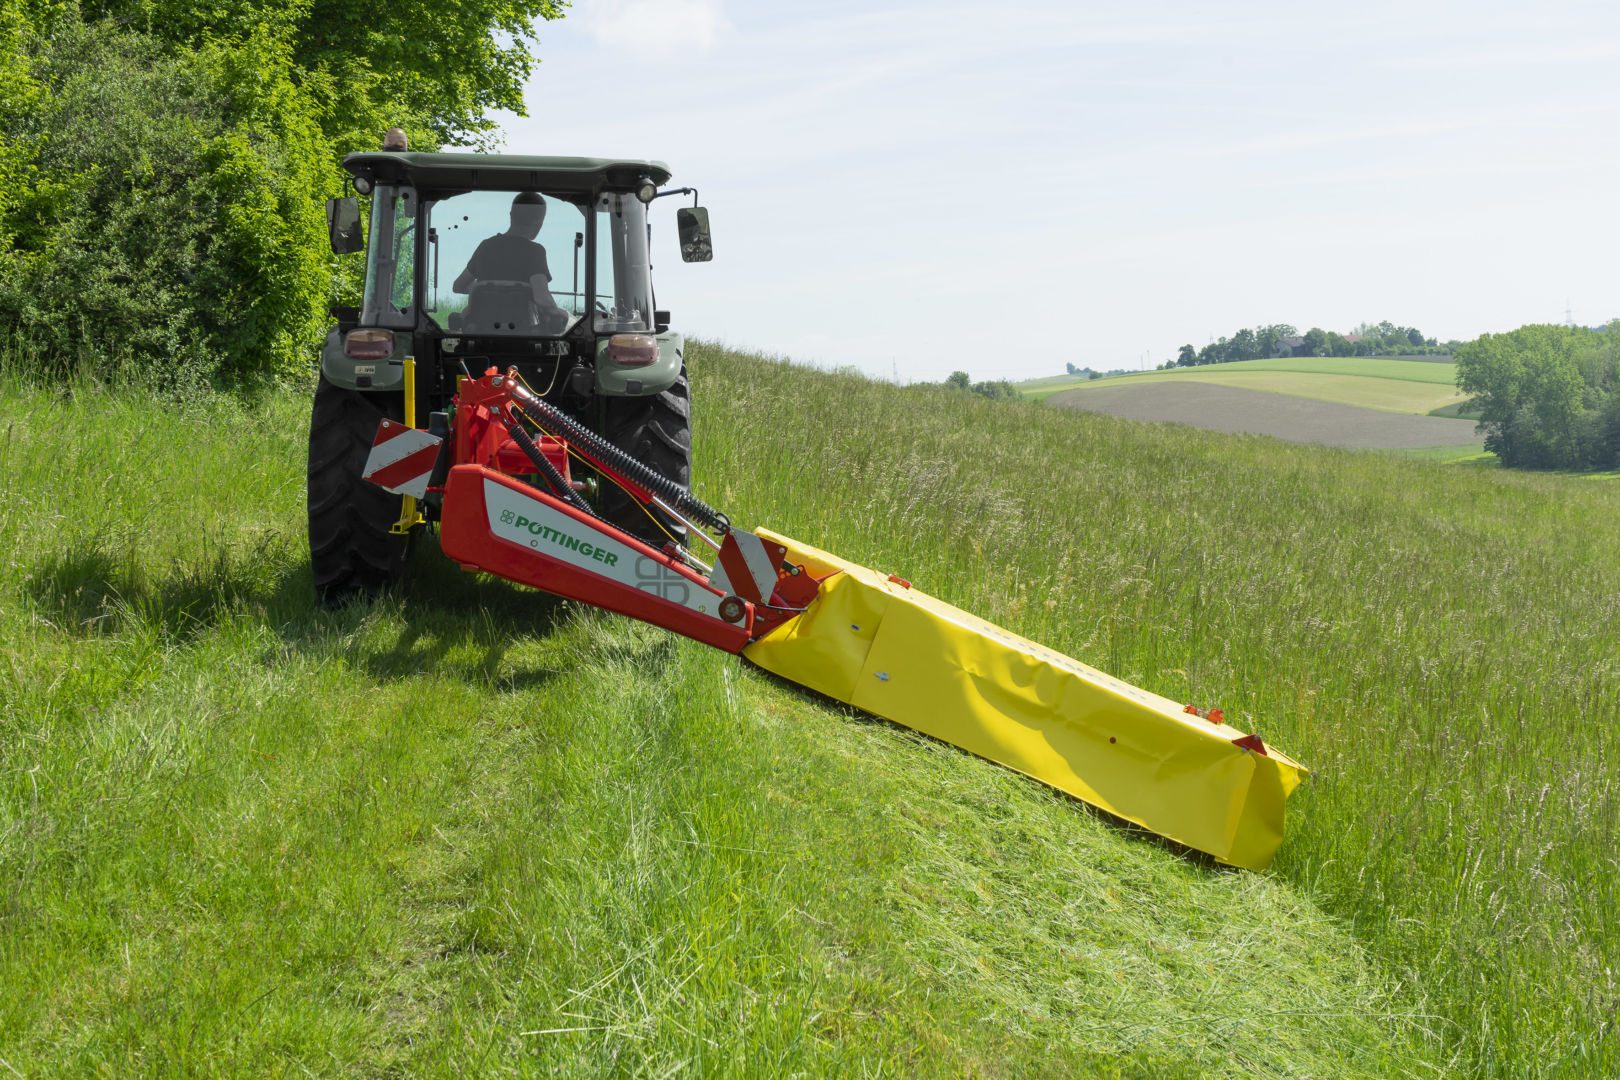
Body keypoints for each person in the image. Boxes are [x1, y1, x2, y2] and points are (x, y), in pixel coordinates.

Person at [453, 191, 568, 332]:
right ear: (539, 222)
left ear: (511, 215)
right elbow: (542, 298)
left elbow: (458, 286)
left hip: (481, 334)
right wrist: (559, 312)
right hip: (523, 335)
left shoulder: (486, 246)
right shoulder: (535, 251)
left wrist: (479, 288)